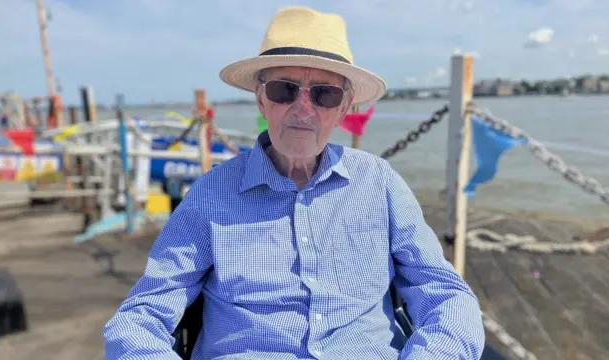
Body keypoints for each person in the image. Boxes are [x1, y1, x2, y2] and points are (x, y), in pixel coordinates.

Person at [103, 6, 485, 359]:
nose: (303, 109)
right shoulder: (212, 192)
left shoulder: (378, 183)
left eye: (325, 93)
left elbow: (447, 295)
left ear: (343, 107)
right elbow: (141, 316)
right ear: (261, 99)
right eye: (284, 89)